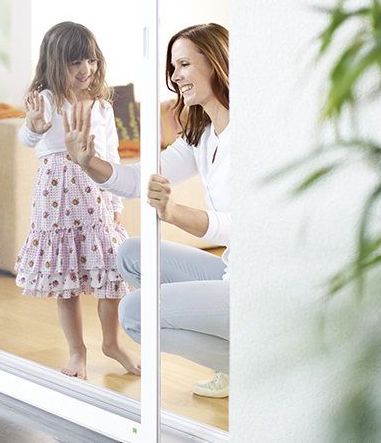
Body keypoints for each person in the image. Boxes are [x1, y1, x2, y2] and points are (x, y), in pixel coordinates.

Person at [62, 23, 231, 398]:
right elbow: (138, 179)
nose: (175, 76)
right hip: (231, 268)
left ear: (216, 62)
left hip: (257, 282)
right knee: (130, 253)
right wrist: (88, 162)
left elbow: (243, 228)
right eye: (173, 67)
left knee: (135, 313)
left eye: (184, 64)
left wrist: (174, 212)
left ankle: (244, 361)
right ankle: (231, 351)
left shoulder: (247, 135)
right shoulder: (202, 134)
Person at [14, 21, 141, 380]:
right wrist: (34, 127)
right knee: (64, 278)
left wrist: (115, 204)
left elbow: (112, 155)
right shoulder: (46, 101)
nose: (86, 69)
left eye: (91, 60)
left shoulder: (101, 106)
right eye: (75, 62)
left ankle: (111, 343)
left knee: (113, 271)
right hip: (56, 198)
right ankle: (77, 351)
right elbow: (26, 138)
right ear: (56, 63)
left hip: (94, 194)